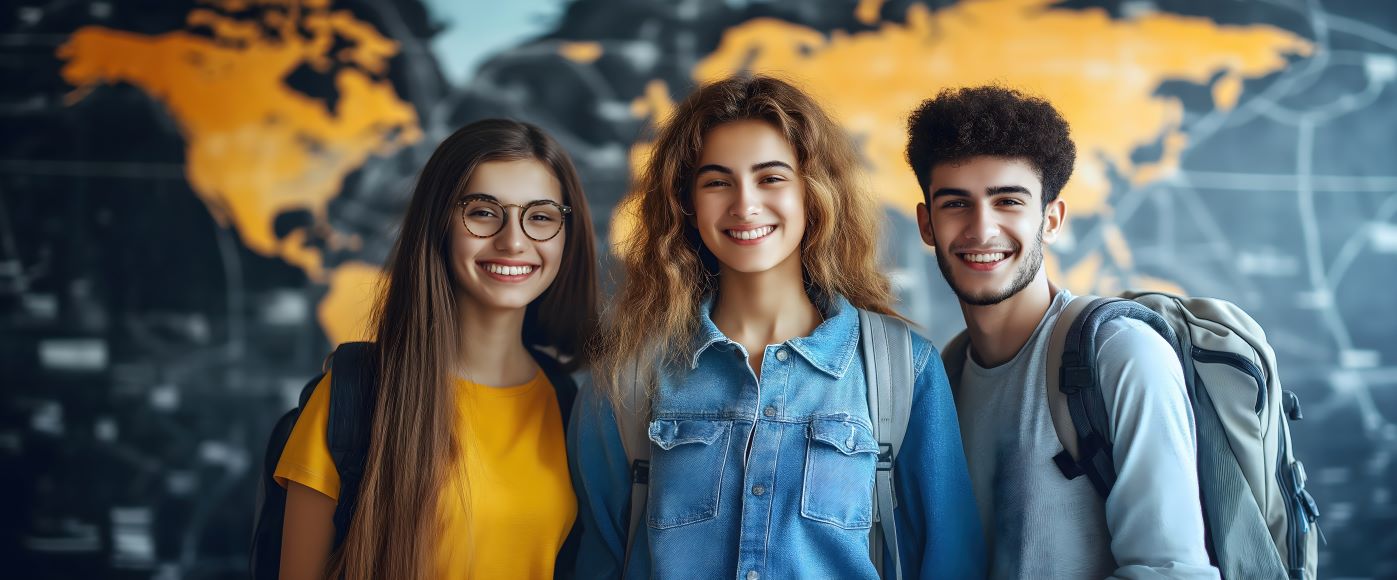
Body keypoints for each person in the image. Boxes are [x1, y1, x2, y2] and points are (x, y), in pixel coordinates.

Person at [570, 75, 984, 579]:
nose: (744, 204)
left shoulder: (903, 369)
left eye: (770, 178)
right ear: (687, 204)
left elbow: (950, 561)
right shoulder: (627, 375)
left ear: (814, 194)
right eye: (717, 182)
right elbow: (598, 561)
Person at [904, 85, 1218, 579]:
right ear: (927, 225)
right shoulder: (945, 374)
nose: (982, 229)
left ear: (1051, 220)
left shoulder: (1121, 353)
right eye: (956, 204)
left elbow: (1171, 571)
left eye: (1008, 201)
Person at [275, 119, 599, 579]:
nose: (513, 240)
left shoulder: (572, 405)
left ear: (567, 234)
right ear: (439, 224)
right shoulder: (354, 395)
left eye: (541, 217)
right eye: (483, 212)